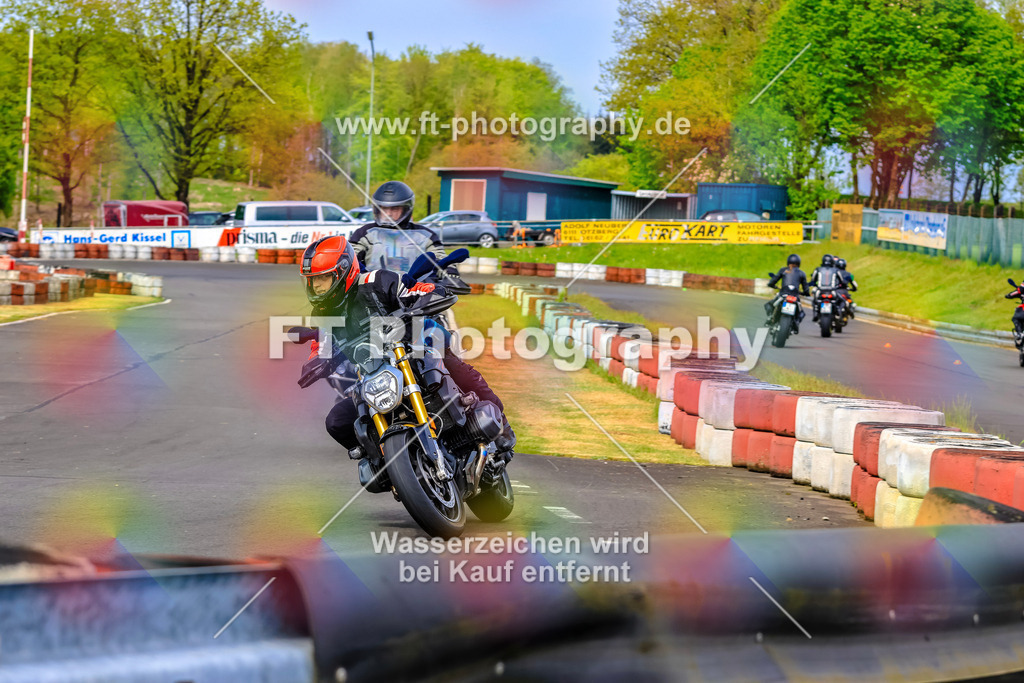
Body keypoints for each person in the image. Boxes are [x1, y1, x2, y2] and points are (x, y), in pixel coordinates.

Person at [298, 234, 516, 465]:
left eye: (323, 279)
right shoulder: (323, 314)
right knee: (337, 421)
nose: (317, 286)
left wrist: (425, 299)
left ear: (344, 273)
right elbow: (321, 344)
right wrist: (317, 362)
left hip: (417, 350)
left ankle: (503, 427)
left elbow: (420, 289)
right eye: (312, 280)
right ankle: (383, 462)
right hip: (374, 375)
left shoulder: (378, 281)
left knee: (458, 369)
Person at [349, 180, 452, 276]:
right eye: (384, 208)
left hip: (415, 289)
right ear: (377, 208)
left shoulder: (425, 235)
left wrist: (449, 271)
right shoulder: (364, 233)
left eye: (394, 209)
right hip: (373, 289)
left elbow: (440, 259)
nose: (388, 213)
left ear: (406, 209)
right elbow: (349, 257)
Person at [765, 254, 810, 333]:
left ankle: (769, 318)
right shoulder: (802, 273)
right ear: (799, 263)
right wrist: (805, 293)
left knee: (769, 305)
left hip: (783, 294)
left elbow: (773, 280)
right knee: (801, 313)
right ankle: (796, 324)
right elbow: (806, 288)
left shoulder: (783, 270)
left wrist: (771, 285)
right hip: (795, 296)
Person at [809, 254, 841, 321]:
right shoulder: (836, 270)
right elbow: (841, 280)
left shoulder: (818, 269)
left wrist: (812, 284)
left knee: (815, 301)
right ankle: (837, 313)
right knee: (837, 300)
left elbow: (813, 280)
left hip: (820, 291)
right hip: (832, 291)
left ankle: (815, 314)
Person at [1006, 281, 1024, 346]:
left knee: (1015, 318)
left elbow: (1014, 293)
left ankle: (1020, 333)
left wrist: (1008, 295)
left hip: (1022, 310)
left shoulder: (1021, 290)